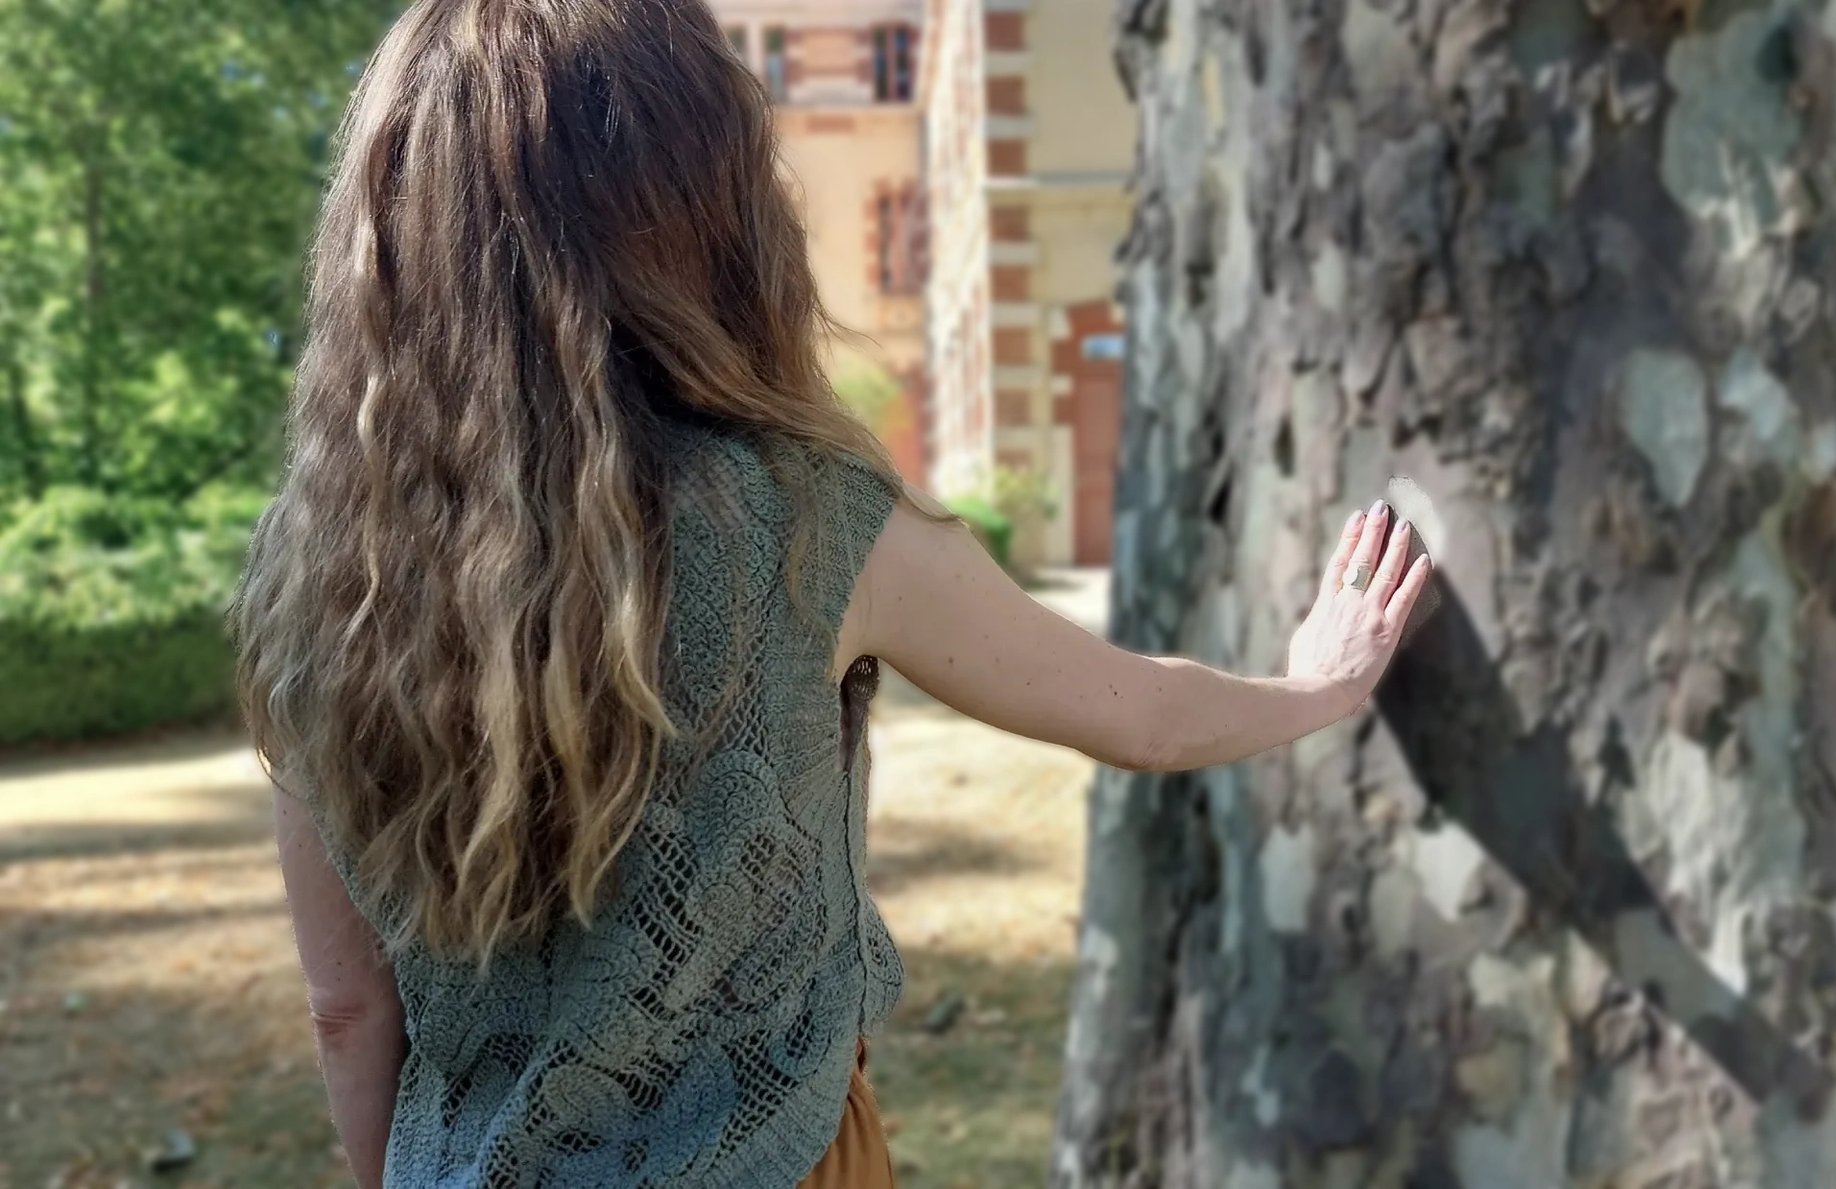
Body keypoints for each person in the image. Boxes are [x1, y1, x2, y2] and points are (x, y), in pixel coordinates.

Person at [229, 2, 1433, 1186]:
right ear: (705, 206)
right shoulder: (806, 519)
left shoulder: (322, 571)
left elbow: (347, 1009)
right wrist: (1319, 683)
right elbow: (1139, 714)